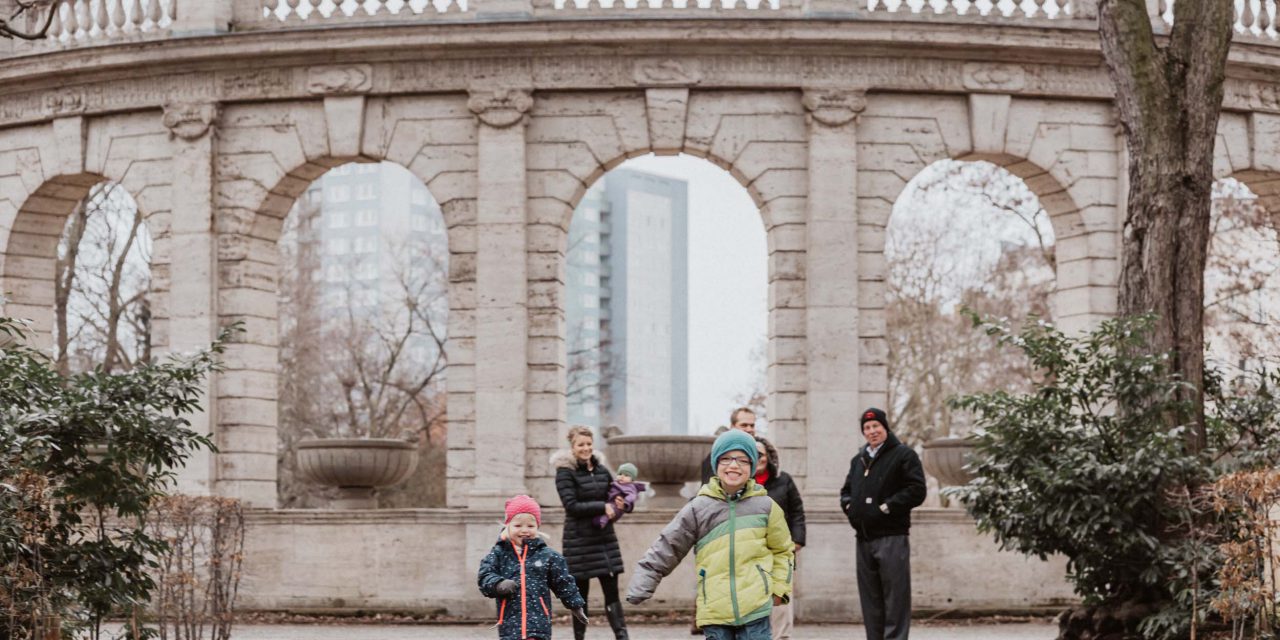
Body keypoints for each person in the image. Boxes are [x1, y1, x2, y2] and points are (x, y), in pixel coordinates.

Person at [627, 430, 795, 640]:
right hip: (715, 609)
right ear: (716, 465)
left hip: (756, 609)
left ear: (752, 466)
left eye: (743, 460)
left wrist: (779, 589)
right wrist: (645, 579)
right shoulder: (699, 507)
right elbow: (669, 545)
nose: (734, 465)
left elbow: (783, 550)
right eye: (726, 459)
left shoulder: (766, 506)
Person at [839, 408, 927, 640]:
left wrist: (886, 507)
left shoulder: (903, 455)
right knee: (871, 601)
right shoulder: (858, 460)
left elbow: (917, 490)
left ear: (885, 427)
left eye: (876, 426)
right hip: (864, 538)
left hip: (892, 537)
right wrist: (849, 506)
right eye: (867, 428)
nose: (872, 431)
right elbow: (846, 490)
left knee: (895, 599)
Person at [553, 426, 631, 640]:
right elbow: (571, 506)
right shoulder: (564, 472)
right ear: (572, 447)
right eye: (581, 445)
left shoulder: (601, 470)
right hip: (579, 542)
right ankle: (579, 638)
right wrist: (601, 507)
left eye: (589, 444)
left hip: (604, 539)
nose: (586, 448)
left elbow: (612, 493)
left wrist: (619, 503)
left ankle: (622, 636)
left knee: (612, 594)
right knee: (581, 597)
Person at [478, 495, 590, 640]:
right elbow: (484, 575)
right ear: (508, 526)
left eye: (530, 526)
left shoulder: (548, 556)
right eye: (518, 526)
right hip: (510, 625)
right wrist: (498, 584)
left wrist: (576, 605)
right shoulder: (499, 554)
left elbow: (563, 581)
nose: (525, 530)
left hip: (538, 624)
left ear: (537, 527)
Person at [754, 437, 805, 640]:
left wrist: (797, 541)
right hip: (751, 552)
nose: (758, 458)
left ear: (769, 457)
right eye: (754, 454)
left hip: (780, 553)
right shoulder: (740, 483)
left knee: (781, 606)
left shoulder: (784, 480)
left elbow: (797, 512)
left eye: (761, 454)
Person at [699, 407, 757, 484]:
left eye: (752, 426)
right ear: (732, 427)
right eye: (744, 425)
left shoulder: (760, 452)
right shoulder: (716, 454)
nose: (749, 429)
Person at [593, 463, 647, 529]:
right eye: (620, 474)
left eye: (626, 475)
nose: (622, 476)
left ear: (632, 480)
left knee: (611, 509)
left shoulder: (630, 487)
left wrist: (625, 502)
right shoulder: (616, 482)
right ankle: (599, 520)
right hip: (610, 501)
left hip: (616, 506)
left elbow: (632, 496)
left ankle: (602, 522)